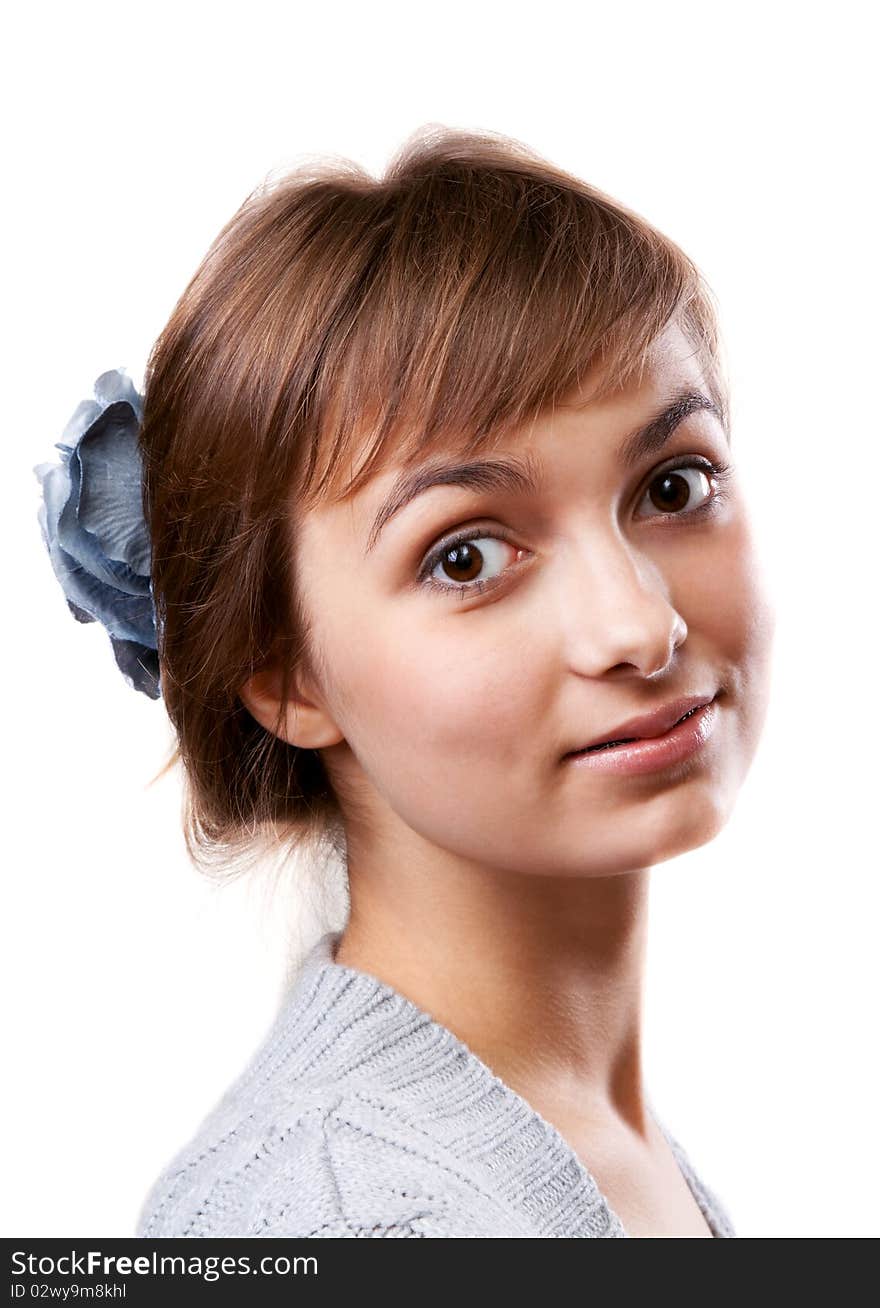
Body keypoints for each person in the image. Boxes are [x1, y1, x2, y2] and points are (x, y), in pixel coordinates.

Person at [36, 125, 775, 1238]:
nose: (639, 624)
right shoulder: (338, 1218)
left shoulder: (591, 1140)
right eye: (465, 555)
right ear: (281, 673)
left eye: (672, 486)